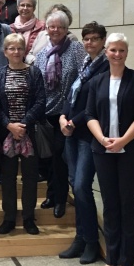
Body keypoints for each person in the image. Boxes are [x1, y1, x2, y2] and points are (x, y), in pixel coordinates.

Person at [85, 33, 134, 266]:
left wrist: (123, 140)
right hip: (103, 150)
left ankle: (126, 260)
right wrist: (103, 140)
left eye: (121, 50)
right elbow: (90, 114)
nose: (117, 54)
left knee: (127, 202)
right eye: (113, 50)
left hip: (131, 151)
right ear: (106, 52)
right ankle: (111, 258)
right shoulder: (97, 81)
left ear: (126, 53)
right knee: (110, 204)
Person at [58, 21, 109, 264]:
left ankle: (90, 241)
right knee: (75, 187)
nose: (89, 43)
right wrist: (62, 116)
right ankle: (80, 237)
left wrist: (72, 122)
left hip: (88, 135)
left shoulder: (106, 68)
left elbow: (94, 105)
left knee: (81, 186)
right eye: (86, 38)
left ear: (103, 41)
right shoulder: (85, 63)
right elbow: (72, 93)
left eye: (94, 39)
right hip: (71, 131)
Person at [0, 33, 46, 235]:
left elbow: (41, 102)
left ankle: (29, 218)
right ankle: (9, 218)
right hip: (6, 134)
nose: (16, 52)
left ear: (25, 51)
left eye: (19, 48)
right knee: (7, 178)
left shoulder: (34, 73)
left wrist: (23, 124)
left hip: (29, 132)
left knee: (30, 177)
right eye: (11, 48)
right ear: (5, 52)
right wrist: (9, 125)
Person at [35, 11, 86, 219]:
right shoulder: (41, 53)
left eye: (60, 27)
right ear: (46, 29)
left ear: (66, 29)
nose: (55, 30)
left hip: (65, 114)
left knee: (59, 157)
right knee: (45, 159)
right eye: (51, 26)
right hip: (44, 113)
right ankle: (51, 194)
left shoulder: (75, 49)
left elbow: (84, 77)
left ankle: (60, 199)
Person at [9, 0, 45, 64]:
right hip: (14, 68)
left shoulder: (42, 27)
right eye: (22, 5)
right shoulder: (9, 28)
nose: (25, 8)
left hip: (35, 69)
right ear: (17, 8)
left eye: (29, 5)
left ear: (34, 8)